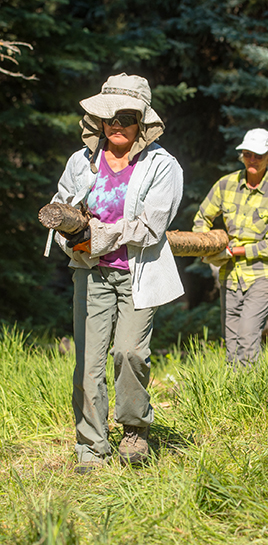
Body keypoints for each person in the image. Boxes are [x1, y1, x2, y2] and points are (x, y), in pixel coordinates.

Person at [48, 73, 184, 473]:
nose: (116, 124)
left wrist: (94, 234)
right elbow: (61, 212)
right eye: (109, 116)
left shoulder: (162, 165)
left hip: (138, 274)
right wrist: (72, 237)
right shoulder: (81, 162)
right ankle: (91, 446)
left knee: (129, 352)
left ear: (142, 121)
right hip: (90, 274)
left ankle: (134, 428)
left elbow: (148, 227)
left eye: (125, 116)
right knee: (88, 363)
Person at [192, 128, 268, 366]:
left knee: (247, 335)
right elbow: (201, 218)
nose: (252, 160)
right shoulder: (226, 185)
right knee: (231, 339)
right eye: (247, 154)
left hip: (265, 273)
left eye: (258, 155)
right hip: (231, 272)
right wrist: (205, 245)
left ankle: (249, 396)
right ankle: (233, 393)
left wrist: (232, 251)